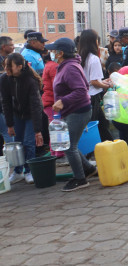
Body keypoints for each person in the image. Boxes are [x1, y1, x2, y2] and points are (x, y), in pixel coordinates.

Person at [45, 37, 97, 192]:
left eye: (54, 51)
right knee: (69, 144)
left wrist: (63, 101)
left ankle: (80, 179)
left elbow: (81, 91)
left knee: (69, 146)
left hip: (78, 111)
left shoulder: (70, 68)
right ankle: (87, 169)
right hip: (72, 111)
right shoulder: (65, 66)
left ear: (61, 53)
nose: (51, 53)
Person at [0, 53, 44, 184]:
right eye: (5, 65)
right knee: (17, 143)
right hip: (16, 114)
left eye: (10, 66)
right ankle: (18, 171)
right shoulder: (4, 79)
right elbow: (5, 102)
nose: (6, 68)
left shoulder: (31, 80)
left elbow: (36, 106)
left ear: (19, 66)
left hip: (31, 114)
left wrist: (37, 130)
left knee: (29, 142)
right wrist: (9, 125)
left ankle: (30, 171)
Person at [78, 29, 114, 143]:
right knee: (93, 126)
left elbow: (91, 80)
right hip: (93, 97)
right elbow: (94, 82)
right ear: (94, 41)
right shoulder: (94, 59)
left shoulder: (81, 57)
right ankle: (88, 156)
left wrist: (103, 81)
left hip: (86, 96)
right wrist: (107, 85)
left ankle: (109, 147)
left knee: (102, 125)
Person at [41, 50, 66, 166]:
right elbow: (57, 86)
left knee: (54, 128)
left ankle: (54, 153)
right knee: (57, 128)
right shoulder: (54, 66)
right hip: (53, 103)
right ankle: (59, 155)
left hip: (48, 101)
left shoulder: (48, 65)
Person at [0, 36, 15, 147]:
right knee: (7, 132)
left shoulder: (8, 59)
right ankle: (14, 161)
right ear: (3, 47)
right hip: (2, 103)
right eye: (11, 45)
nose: (14, 47)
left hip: (7, 102)